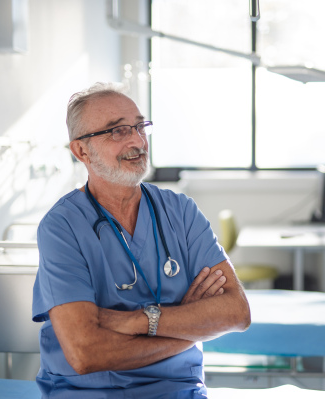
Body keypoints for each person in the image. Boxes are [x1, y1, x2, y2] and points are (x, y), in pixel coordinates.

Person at [32, 82, 251, 398]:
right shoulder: (62, 227)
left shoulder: (180, 211)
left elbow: (236, 312)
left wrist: (139, 321)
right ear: (81, 150)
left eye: (139, 126)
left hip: (178, 389)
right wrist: (188, 330)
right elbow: (85, 354)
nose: (136, 141)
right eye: (116, 131)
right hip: (86, 392)